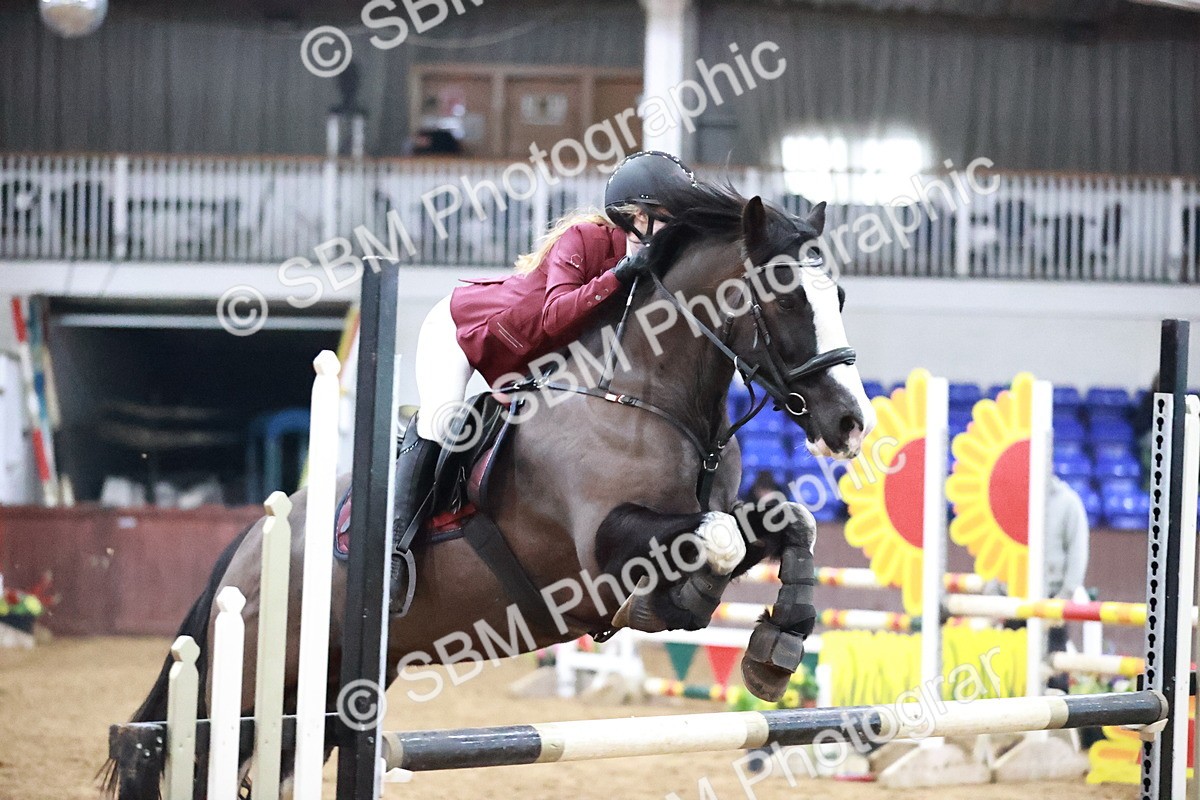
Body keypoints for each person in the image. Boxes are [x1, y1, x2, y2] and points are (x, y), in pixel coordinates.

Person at [389, 152, 698, 585]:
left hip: (532, 368)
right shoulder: (586, 239)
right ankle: (395, 546)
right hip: (464, 330)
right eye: (668, 218)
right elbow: (554, 316)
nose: (677, 231)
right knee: (443, 423)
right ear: (635, 217)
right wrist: (621, 274)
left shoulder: (660, 267)